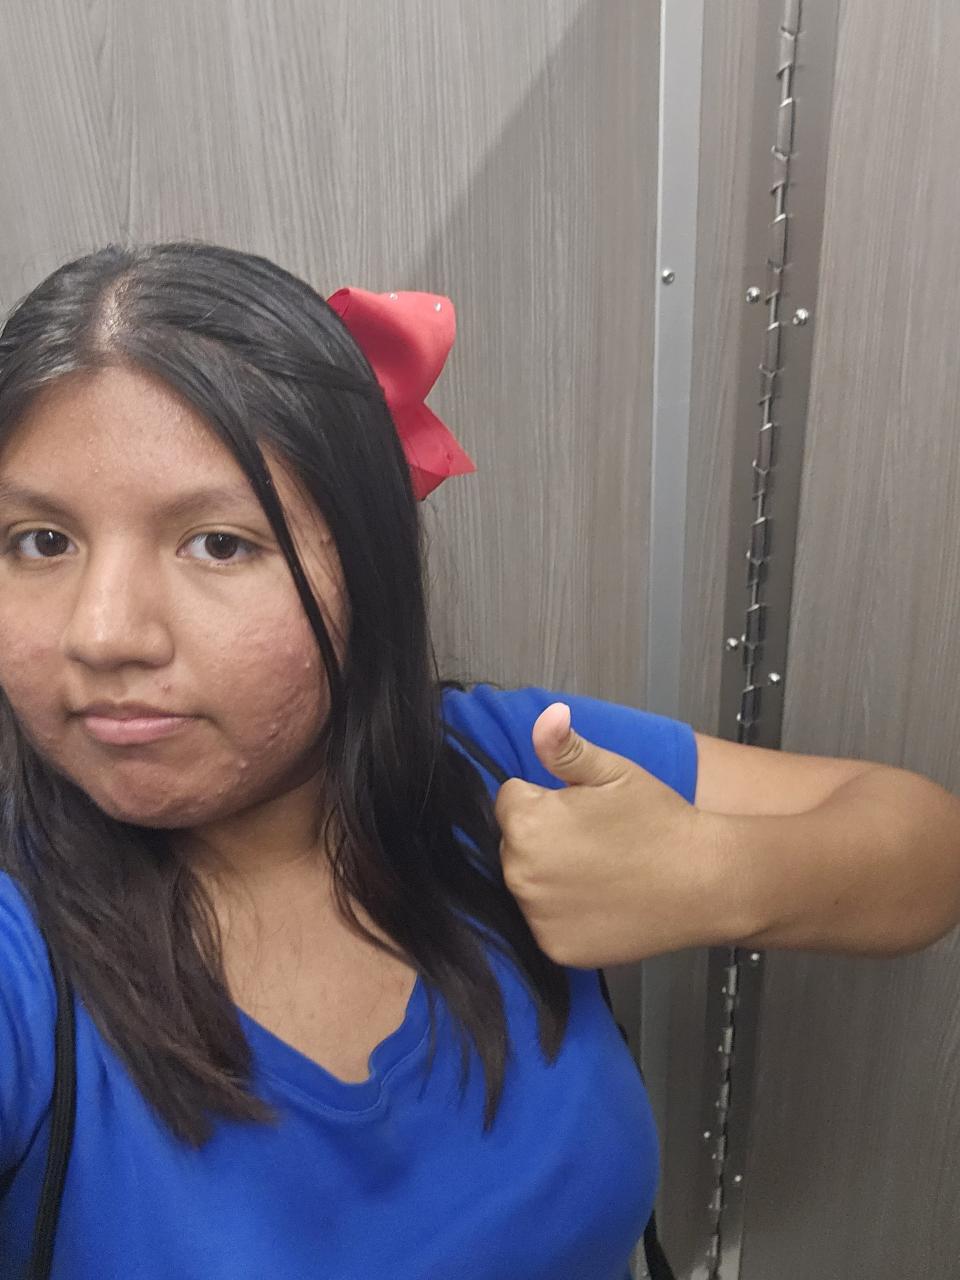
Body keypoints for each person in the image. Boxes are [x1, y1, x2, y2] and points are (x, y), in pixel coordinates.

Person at [1, 243, 958, 1279]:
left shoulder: (507, 761)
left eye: (219, 543)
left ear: (366, 562)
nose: (103, 633)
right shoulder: (24, 960)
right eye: (41, 541)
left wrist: (709, 874)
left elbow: (921, 845)